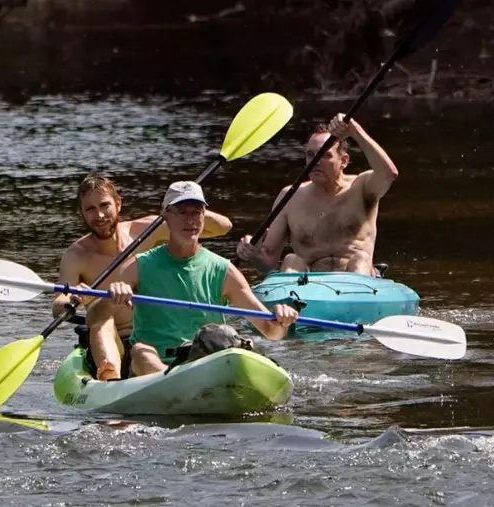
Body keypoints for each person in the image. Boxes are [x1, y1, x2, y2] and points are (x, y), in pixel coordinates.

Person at [104, 180, 300, 376]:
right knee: (140, 351)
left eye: (196, 212)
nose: (190, 220)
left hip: (206, 365)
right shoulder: (138, 265)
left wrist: (282, 321)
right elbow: (97, 315)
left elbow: (270, 331)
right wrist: (115, 293)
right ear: (165, 215)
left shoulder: (224, 270)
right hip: (155, 367)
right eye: (182, 212)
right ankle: (175, 381)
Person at [52, 173, 234, 381]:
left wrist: (183, 211)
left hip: (160, 335)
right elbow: (58, 304)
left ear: (118, 204)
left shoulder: (147, 230)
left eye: (104, 205)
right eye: (90, 209)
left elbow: (224, 227)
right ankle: (110, 377)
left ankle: (171, 377)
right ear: (82, 213)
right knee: (103, 319)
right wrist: (74, 297)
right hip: (117, 340)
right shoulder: (76, 255)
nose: (100, 215)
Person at [235, 113, 398, 276]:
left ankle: (357, 300)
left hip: (359, 280)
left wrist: (354, 131)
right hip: (311, 288)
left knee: (360, 258)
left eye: (325, 155)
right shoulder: (290, 197)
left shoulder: (362, 187)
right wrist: (254, 253)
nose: (316, 161)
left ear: (344, 160)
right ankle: (292, 300)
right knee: (291, 260)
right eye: (311, 155)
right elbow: (267, 264)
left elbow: (389, 174)